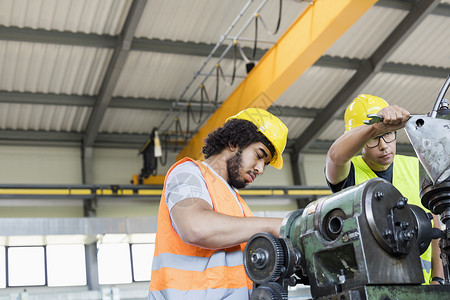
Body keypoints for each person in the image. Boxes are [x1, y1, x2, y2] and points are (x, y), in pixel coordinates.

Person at [148, 108, 288, 299]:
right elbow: (195, 227)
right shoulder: (188, 173)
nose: (260, 169)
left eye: (266, 163)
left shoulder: (237, 203)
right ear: (233, 143)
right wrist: (273, 225)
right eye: (259, 155)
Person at [325, 94, 444, 285]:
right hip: (373, 288)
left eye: (388, 135)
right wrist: (375, 127)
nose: (383, 146)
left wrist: (438, 279)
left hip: (423, 288)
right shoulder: (349, 173)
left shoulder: (416, 167)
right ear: (359, 140)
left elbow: (435, 228)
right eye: (373, 138)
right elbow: (334, 157)